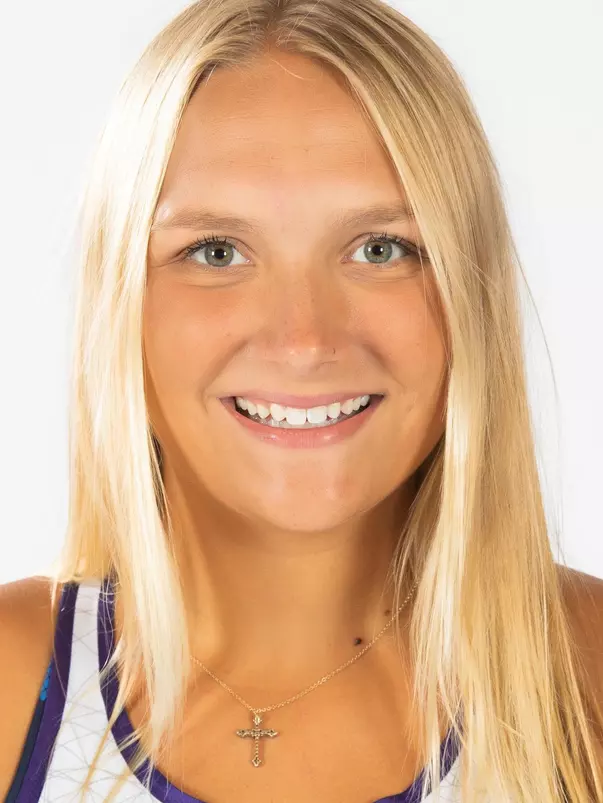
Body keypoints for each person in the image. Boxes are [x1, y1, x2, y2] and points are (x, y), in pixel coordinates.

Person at [1, 0, 602, 801]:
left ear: (473, 292)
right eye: (216, 251)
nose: (304, 338)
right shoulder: (14, 685)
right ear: (121, 305)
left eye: (379, 248)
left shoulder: (586, 673)